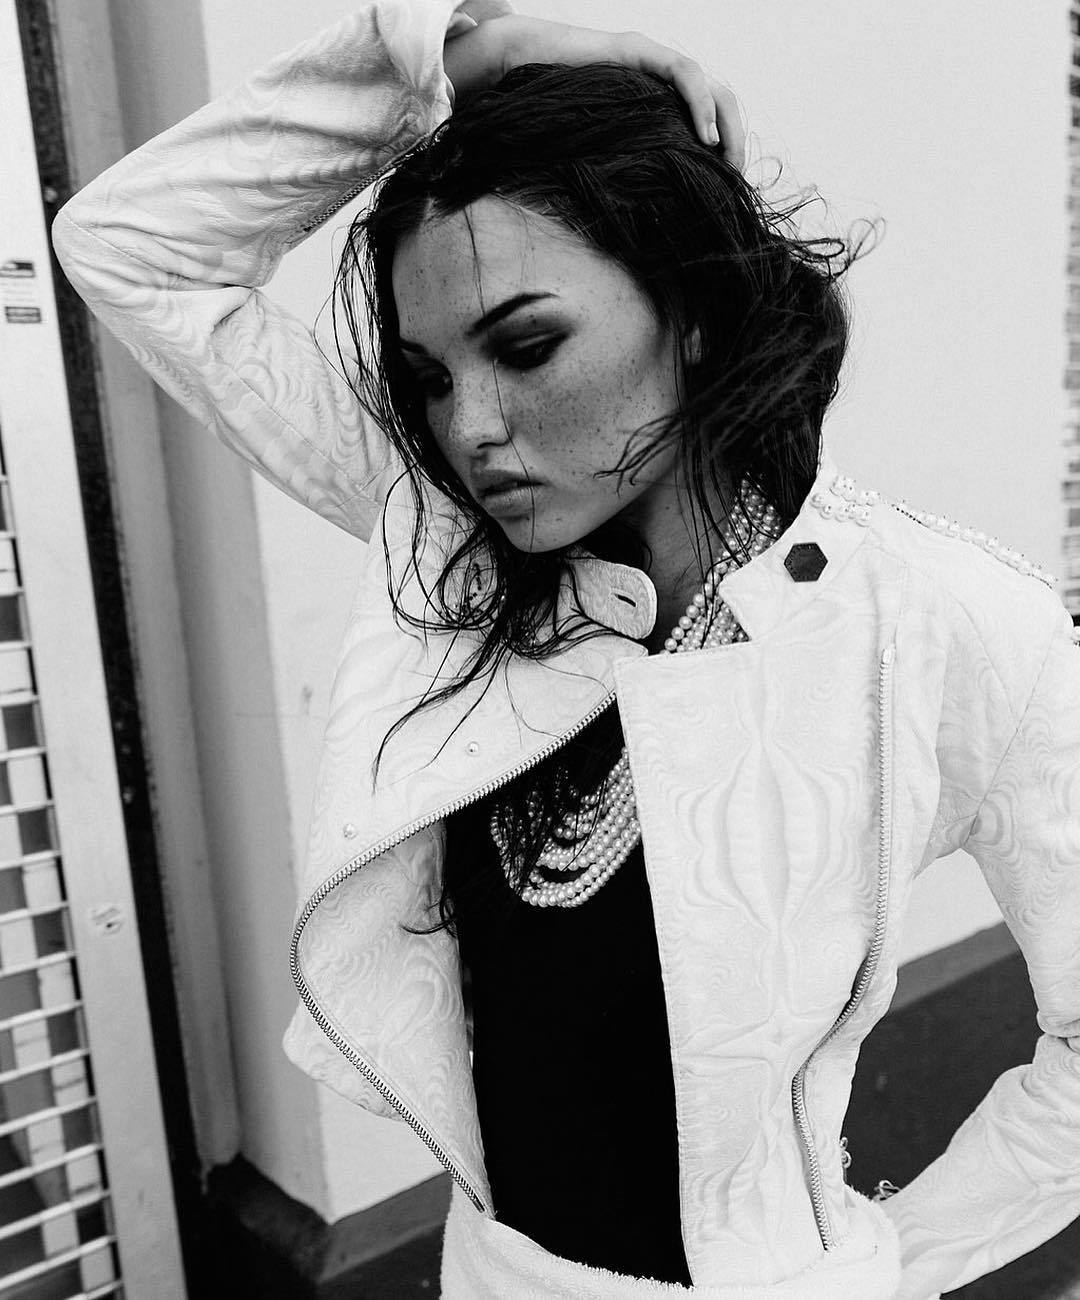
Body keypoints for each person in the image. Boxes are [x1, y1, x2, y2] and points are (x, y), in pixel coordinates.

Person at [52, 3, 1080, 1297]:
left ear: (692, 308)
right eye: (430, 377)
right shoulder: (452, 550)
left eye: (527, 346)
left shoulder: (941, 625)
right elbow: (127, 247)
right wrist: (445, 54)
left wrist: (886, 1270)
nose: (470, 429)